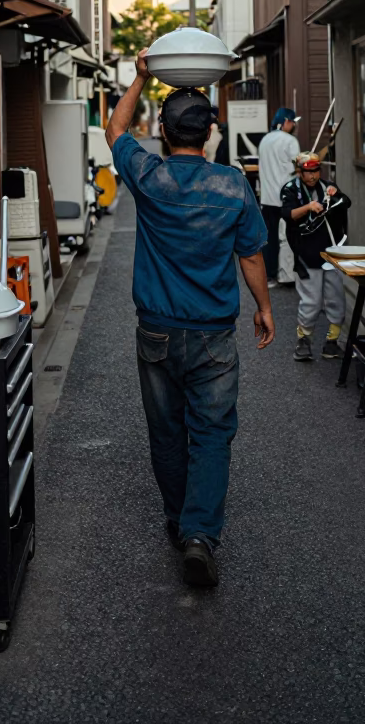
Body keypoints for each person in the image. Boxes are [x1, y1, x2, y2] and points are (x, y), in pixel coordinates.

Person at [106, 48, 275, 588]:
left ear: (163, 129)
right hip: (212, 337)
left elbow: (114, 129)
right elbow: (250, 256)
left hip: (155, 330)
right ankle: (200, 535)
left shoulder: (149, 178)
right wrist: (265, 309)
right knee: (211, 433)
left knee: (166, 431)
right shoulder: (232, 186)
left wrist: (137, 79)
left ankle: (181, 520)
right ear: (209, 134)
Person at [280, 152, 352, 361]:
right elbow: (288, 214)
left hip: (331, 253)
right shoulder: (290, 189)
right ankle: (304, 340)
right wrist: (309, 206)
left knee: (336, 299)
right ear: (300, 172)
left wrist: (335, 193)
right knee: (311, 301)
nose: (312, 176)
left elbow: (346, 203)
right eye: (308, 172)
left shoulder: (327, 186)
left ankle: (332, 342)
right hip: (306, 253)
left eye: (315, 171)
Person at [257, 107, 300, 288]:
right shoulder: (290, 141)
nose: (294, 125)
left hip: (267, 197)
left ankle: (269, 276)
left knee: (270, 237)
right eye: (293, 122)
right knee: (285, 237)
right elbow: (298, 166)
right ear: (286, 122)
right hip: (285, 197)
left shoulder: (265, 140)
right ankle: (286, 276)